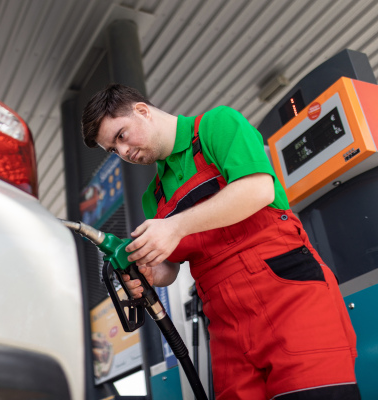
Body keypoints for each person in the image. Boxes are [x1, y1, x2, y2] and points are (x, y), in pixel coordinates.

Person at [81, 83, 360, 400]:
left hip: (287, 296)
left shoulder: (216, 125)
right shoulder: (153, 197)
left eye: (121, 136)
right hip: (226, 325)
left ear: (142, 111)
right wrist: (149, 273)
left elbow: (258, 190)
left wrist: (174, 226)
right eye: (114, 150)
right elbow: (169, 268)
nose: (124, 152)